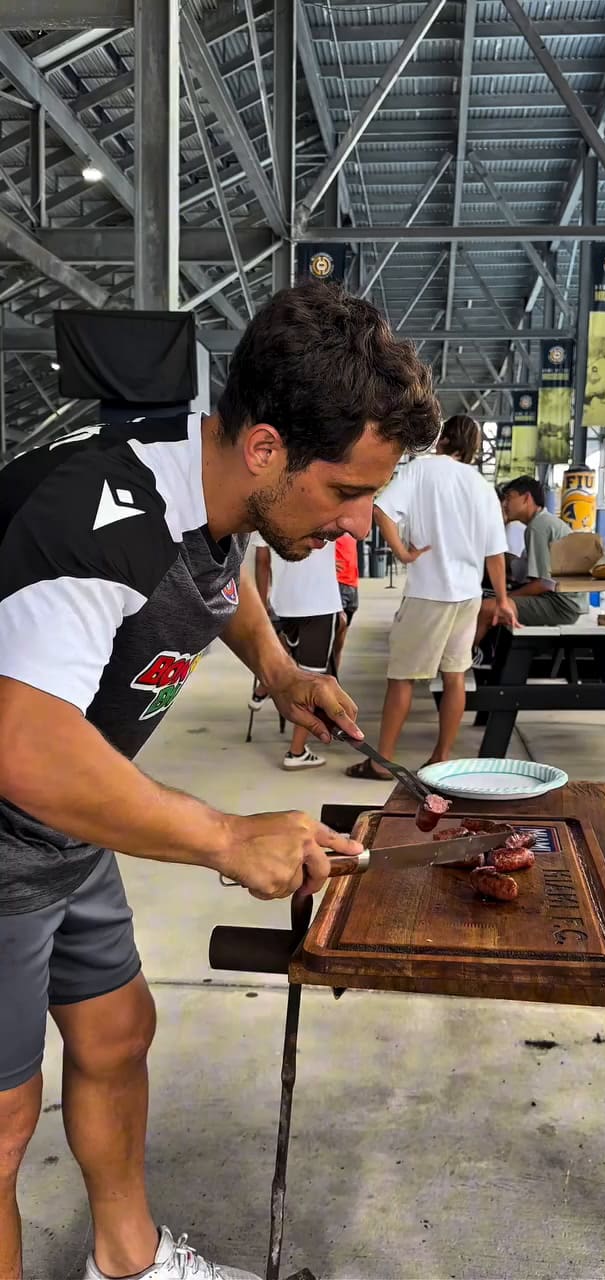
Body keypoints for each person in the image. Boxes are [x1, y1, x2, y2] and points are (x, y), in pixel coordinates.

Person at [0, 282, 440, 1280]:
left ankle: (128, 1260)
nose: (361, 519)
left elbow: (221, 572)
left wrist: (281, 671)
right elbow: (23, 742)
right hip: (15, 809)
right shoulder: (97, 522)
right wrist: (225, 835)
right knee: (3, 1121)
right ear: (267, 449)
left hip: (69, 819)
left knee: (117, 1029)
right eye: (345, 490)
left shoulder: (220, 498)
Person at [347, 414, 514, 779]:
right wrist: (501, 599)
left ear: (442, 440)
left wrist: (403, 553)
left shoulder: (421, 470)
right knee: (455, 677)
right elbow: (495, 552)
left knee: (403, 678)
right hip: (468, 596)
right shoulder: (481, 485)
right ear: (473, 448)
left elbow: (380, 510)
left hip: (428, 593)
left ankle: (381, 762)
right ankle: (440, 758)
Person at [253, 533, 342, 770]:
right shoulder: (330, 502)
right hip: (320, 604)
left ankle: (265, 686)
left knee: (295, 667)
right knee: (312, 682)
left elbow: (262, 561)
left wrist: (262, 609)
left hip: (283, 604)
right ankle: (296, 751)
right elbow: (359, 530)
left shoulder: (265, 503)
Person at [475, 474, 586, 643]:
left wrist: (507, 597)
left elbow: (544, 583)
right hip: (566, 601)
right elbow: (524, 568)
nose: (505, 505)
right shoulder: (543, 522)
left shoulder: (538, 527)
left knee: (487, 608)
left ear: (526, 498)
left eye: (509, 498)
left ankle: (464, 661)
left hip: (561, 605)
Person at [333, 532, 360, 669]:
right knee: (336, 631)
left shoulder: (351, 521)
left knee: (339, 643)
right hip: (337, 583)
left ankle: (334, 680)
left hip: (352, 584)